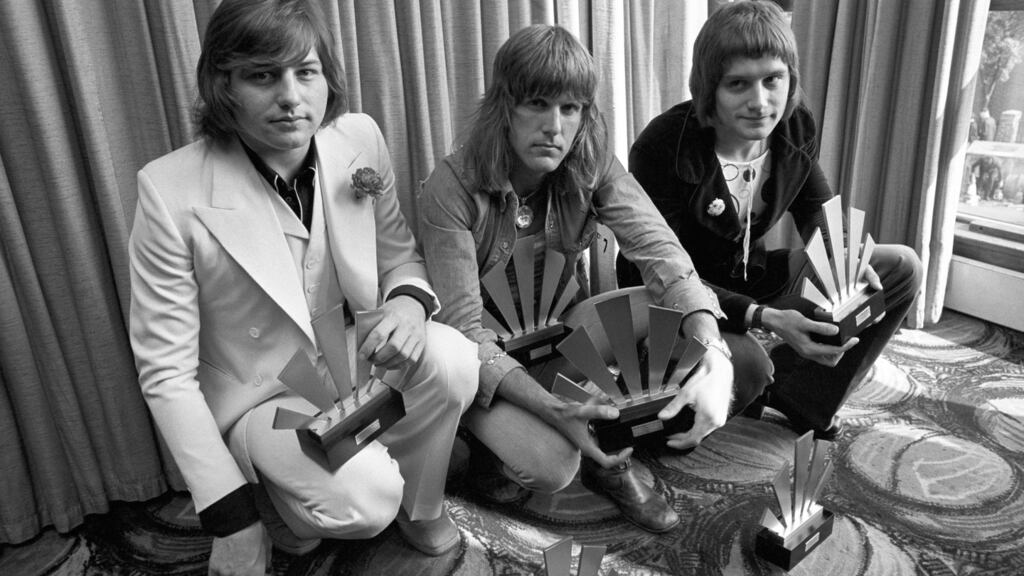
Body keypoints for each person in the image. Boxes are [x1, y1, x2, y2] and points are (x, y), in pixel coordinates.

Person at [128, 1, 477, 573]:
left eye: (305, 72)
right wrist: (233, 522)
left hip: (354, 359)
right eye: (263, 75)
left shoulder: (358, 137)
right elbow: (165, 371)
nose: (291, 95)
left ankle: (420, 500)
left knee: (454, 357)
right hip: (263, 395)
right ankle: (283, 501)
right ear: (224, 85)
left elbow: (399, 258)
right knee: (365, 505)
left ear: (326, 78)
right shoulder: (169, 191)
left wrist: (410, 307)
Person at [419, 24, 767, 534]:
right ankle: (490, 445)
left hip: (563, 337)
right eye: (536, 104)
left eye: (571, 108)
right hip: (485, 364)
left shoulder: (590, 160)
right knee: (551, 468)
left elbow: (660, 252)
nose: (554, 127)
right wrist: (554, 409)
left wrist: (713, 350)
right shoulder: (451, 187)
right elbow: (464, 331)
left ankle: (607, 451)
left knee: (700, 328)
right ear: (503, 108)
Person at [618, 0, 923, 439]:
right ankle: (752, 376)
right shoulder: (662, 146)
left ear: (790, 79)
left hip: (754, 276)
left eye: (772, 80)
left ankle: (804, 398)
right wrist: (765, 318)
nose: (760, 103)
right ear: (710, 89)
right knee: (746, 370)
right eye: (738, 84)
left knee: (898, 267)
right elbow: (652, 271)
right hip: (678, 301)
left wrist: (846, 265)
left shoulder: (795, 124)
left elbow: (818, 213)